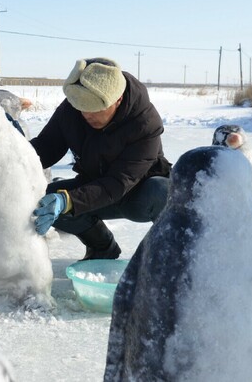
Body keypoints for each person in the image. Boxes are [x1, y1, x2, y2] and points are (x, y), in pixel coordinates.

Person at [30, 57, 172, 260]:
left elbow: (119, 182)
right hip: (95, 186)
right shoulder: (72, 108)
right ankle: (102, 248)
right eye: (81, 109)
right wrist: (16, 155)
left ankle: (170, 257)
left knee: (163, 192)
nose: (86, 115)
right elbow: (46, 146)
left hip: (137, 192)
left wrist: (69, 200)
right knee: (44, 200)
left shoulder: (145, 123)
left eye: (95, 110)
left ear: (118, 100)